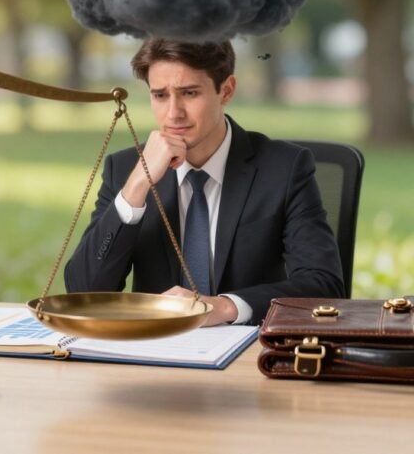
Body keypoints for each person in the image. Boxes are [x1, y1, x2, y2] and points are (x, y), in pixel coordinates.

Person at [64, 38, 345, 326]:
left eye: (189, 93)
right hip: (153, 352)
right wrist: (137, 185)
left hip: (248, 354)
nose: (174, 113)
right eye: (160, 96)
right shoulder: (125, 169)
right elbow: (83, 293)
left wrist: (223, 307)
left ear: (226, 90)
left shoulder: (284, 168)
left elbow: (324, 286)